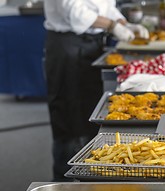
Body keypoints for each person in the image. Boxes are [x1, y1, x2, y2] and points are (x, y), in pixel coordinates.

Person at [43, 0, 149, 181]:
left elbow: (106, 7)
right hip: (67, 46)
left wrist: (125, 24)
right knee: (69, 119)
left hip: (92, 45)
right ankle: (64, 183)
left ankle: (90, 180)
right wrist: (112, 25)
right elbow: (75, 12)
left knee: (91, 115)